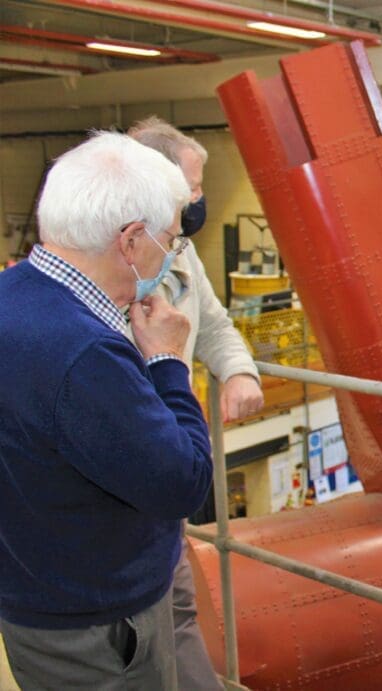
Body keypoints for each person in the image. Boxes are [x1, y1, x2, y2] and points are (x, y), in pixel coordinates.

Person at [0, 131, 212, 689]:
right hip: (101, 627)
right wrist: (167, 360)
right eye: (171, 238)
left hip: (34, 597)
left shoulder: (11, 298)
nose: (172, 253)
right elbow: (183, 482)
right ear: (133, 240)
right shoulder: (83, 350)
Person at [128, 116, 264, 690]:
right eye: (194, 188)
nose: (200, 200)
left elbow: (211, 323)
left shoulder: (179, 253)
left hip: (171, 445)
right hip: (131, 451)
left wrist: (237, 370)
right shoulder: (113, 266)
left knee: (177, 601)